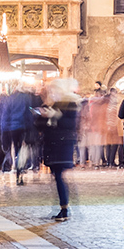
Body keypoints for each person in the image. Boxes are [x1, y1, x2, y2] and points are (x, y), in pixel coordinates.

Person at [40, 89, 80, 221]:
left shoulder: (70, 106)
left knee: (59, 176)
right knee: (57, 177)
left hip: (62, 145)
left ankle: (65, 208)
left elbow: (71, 124)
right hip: (53, 145)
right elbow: (42, 126)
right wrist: (44, 116)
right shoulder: (53, 105)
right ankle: (63, 207)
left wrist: (56, 116)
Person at [0, 86, 38, 185]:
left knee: (16, 148)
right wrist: (31, 127)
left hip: (13, 128)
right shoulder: (26, 98)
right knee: (22, 150)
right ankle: (20, 170)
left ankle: (17, 166)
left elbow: (6, 114)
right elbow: (29, 113)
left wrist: (5, 128)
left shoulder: (10, 98)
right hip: (23, 127)